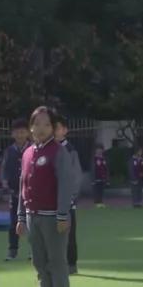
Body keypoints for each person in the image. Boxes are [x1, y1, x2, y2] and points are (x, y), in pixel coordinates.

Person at [17, 107, 78, 287]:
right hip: (33, 216)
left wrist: (63, 215)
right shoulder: (27, 153)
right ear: (30, 127)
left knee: (57, 262)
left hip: (53, 217)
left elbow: (65, 185)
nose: (40, 128)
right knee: (40, 262)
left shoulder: (58, 152)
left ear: (53, 128)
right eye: (37, 124)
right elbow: (22, 187)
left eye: (46, 124)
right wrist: (21, 217)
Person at [55, 117, 83, 275]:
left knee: (69, 234)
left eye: (58, 128)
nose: (55, 131)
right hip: (50, 200)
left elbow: (76, 175)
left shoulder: (70, 149)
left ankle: (72, 264)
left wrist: (71, 195)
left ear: (65, 130)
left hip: (67, 200)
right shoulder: (48, 148)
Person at [1, 120, 31, 260]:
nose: (20, 134)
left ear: (28, 132)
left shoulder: (33, 148)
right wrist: (5, 183)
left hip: (31, 192)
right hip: (14, 193)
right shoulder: (9, 151)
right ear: (12, 134)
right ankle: (12, 250)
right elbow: (4, 169)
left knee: (32, 222)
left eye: (23, 131)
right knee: (14, 223)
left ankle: (34, 250)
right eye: (17, 132)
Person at [92, 144, 109, 208]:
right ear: (96, 150)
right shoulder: (94, 158)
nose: (99, 151)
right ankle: (97, 202)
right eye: (98, 149)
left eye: (101, 149)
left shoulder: (104, 158)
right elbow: (92, 169)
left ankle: (101, 202)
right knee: (97, 190)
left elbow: (106, 169)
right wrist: (93, 179)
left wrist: (107, 178)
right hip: (96, 177)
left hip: (103, 177)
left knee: (101, 190)